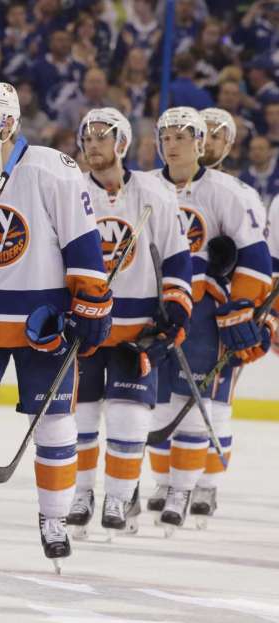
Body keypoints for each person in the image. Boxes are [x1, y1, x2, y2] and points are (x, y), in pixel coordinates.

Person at [0, 82, 110, 571]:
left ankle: (53, 519)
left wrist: (91, 305)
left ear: (8, 123)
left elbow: (82, 245)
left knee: (55, 425)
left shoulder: (53, 170)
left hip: (45, 322)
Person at [66, 108, 192, 540]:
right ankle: (82, 492)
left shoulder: (155, 194)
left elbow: (177, 260)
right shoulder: (70, 191)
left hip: (135, 331)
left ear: (121, 144)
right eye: (88, 138)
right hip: (85, 328)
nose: (93, 145)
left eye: (102, 137)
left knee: (127, 418)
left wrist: (175, 312)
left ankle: (119, 496)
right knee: (80, 415)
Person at [148, 107, 273, 535]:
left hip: (208, 314)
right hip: (158, 309)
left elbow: (258, 258)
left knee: (211, 408)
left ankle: (200, 486)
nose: (175, 143)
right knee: (159, 404)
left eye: (213, 135)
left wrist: (245, 307)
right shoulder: (146, 185)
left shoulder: (233, 193)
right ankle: (166, 484)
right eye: (169, 135)